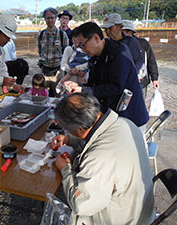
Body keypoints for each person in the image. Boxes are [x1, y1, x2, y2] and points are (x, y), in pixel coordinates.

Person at [51, 93, 155, 225]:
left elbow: (82, 204)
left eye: (67, 130)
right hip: (139, 205)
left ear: (79, 129)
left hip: (124, 219)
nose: (66, 132)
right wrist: (69, 139)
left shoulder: (99, 157)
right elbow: (96, 137)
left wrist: (65, 169)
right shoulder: (124, 123)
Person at [63, 22, 149, 132]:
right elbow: (94, 85)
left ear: (96, 38)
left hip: (131, 117)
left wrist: (82, 89)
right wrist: (78, 87)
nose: (82, 49)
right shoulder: (95, 57)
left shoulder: (119, 54)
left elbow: (116, 87)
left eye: (83, 45)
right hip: (113, 116)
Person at [122, 20, 160, 97]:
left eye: (122, 32)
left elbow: (151, 60)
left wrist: (154, 78)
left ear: (130, 32)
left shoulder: (143, 43)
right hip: (124, 81)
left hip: (141, 81)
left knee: (140, 103)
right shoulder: (118, 44)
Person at [37, 7, 69, 97]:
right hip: (44, 71)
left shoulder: (62, 35)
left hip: (58, 71)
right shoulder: (41, 35)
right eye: (48, 18)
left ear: (56, 19)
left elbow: (66, 53)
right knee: (44, 96)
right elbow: (39, 51)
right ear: (45, 19)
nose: (50, 20)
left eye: (52, 17)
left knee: (59, 96)